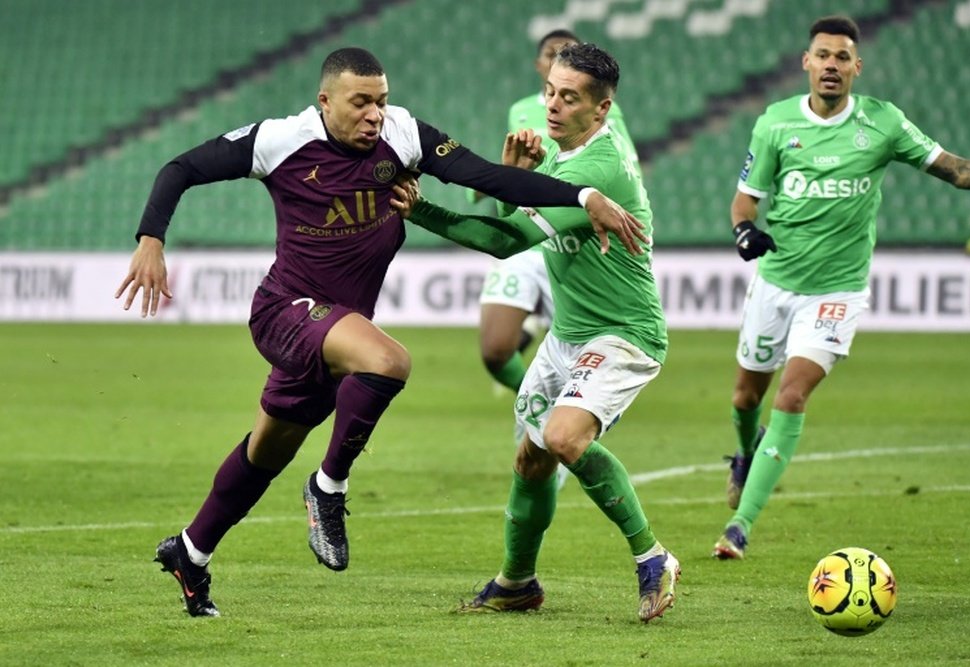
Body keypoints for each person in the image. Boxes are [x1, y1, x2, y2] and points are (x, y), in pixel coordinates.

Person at [114, 47, 647, 618]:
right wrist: (151, 239)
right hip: (287, 311)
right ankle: (329, 487)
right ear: (325, 102)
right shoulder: (279, 140)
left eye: (381, 101)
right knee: (389, 362)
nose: (374, 114)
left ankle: (191, 553)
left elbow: (489, 178)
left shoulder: (405, 134)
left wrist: (583, 194)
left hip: (337, 331)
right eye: (360, 102)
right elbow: (181, 169)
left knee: (265, 452)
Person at [404, 42, 680, 623]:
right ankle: (517, 583)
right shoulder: (560, 160)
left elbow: (504, 242)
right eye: (550, 91)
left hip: (623, 334)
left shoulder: (594, 166)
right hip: (568, 336)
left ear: (601, 110)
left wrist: (420, 209)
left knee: (562, 438)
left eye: (569, 97)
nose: (551, 106)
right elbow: (510, 226)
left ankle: (653, 556)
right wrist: (515, 178)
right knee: (531, 459)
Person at [714, 15, 970, 561]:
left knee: (791, 393)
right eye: (822, 55)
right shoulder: (775, 124)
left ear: (856, 67)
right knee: (745, 396)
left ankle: (740, 524)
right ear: (806, 62)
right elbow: (745, 199)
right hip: (776, 283)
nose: (831, 65)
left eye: (842, 57)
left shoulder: (882, 123)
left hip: (837, 291)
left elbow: (958, 171)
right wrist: (744, 230)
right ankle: (745, 455)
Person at [476, 29, 642, 398]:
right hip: (526, 237)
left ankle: (565, 410)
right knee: (495, 349)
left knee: (577, 351)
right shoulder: (519, 110)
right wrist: (492, 181)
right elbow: (519, 171)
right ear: (541, 65)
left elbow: (625, 167)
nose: (561, 57)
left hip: (569, 238)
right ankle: (536, 398)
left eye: (569, 51)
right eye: (554, 53)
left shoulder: (606, 120)